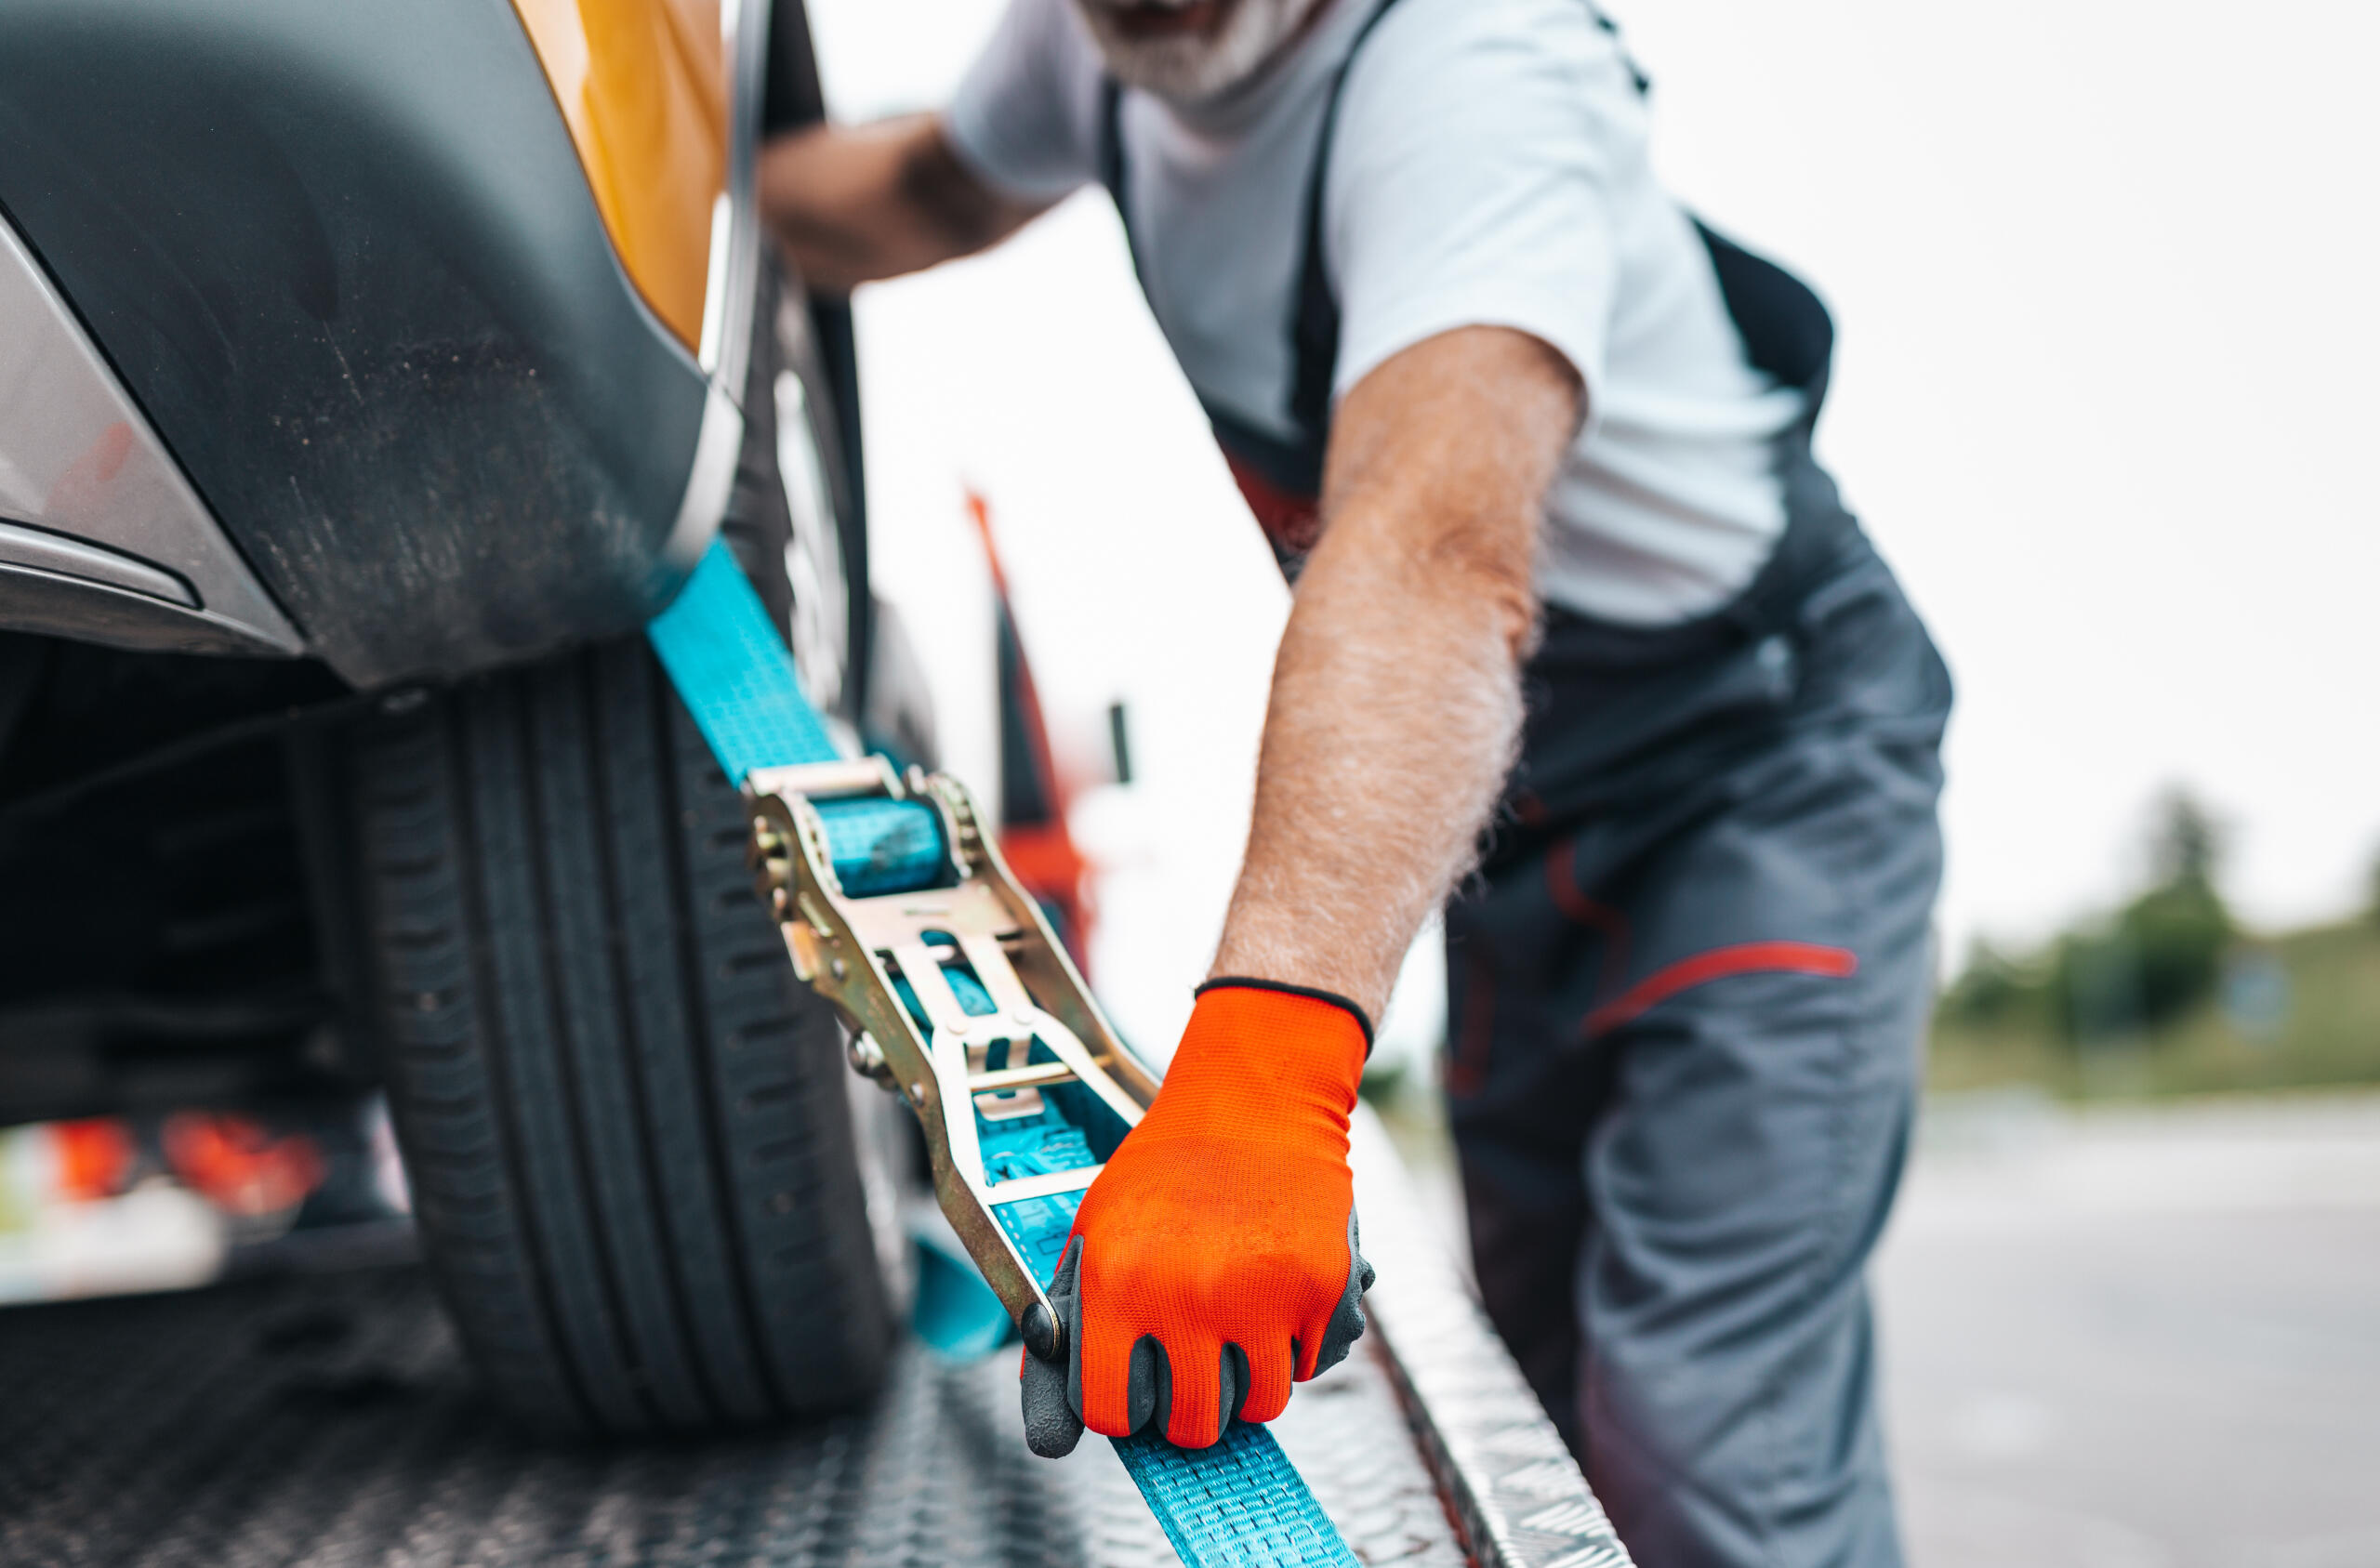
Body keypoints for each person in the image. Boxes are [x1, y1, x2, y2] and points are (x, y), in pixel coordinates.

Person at [760, 0, 1950, 1561]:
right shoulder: (1097, 48)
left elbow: (1435, 563)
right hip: (1508, 795)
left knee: (1702, 1444)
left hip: (1757, 762)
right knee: (1556, 1396)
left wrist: (1262, 1085)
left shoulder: (1477, 72)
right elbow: (917, 194)